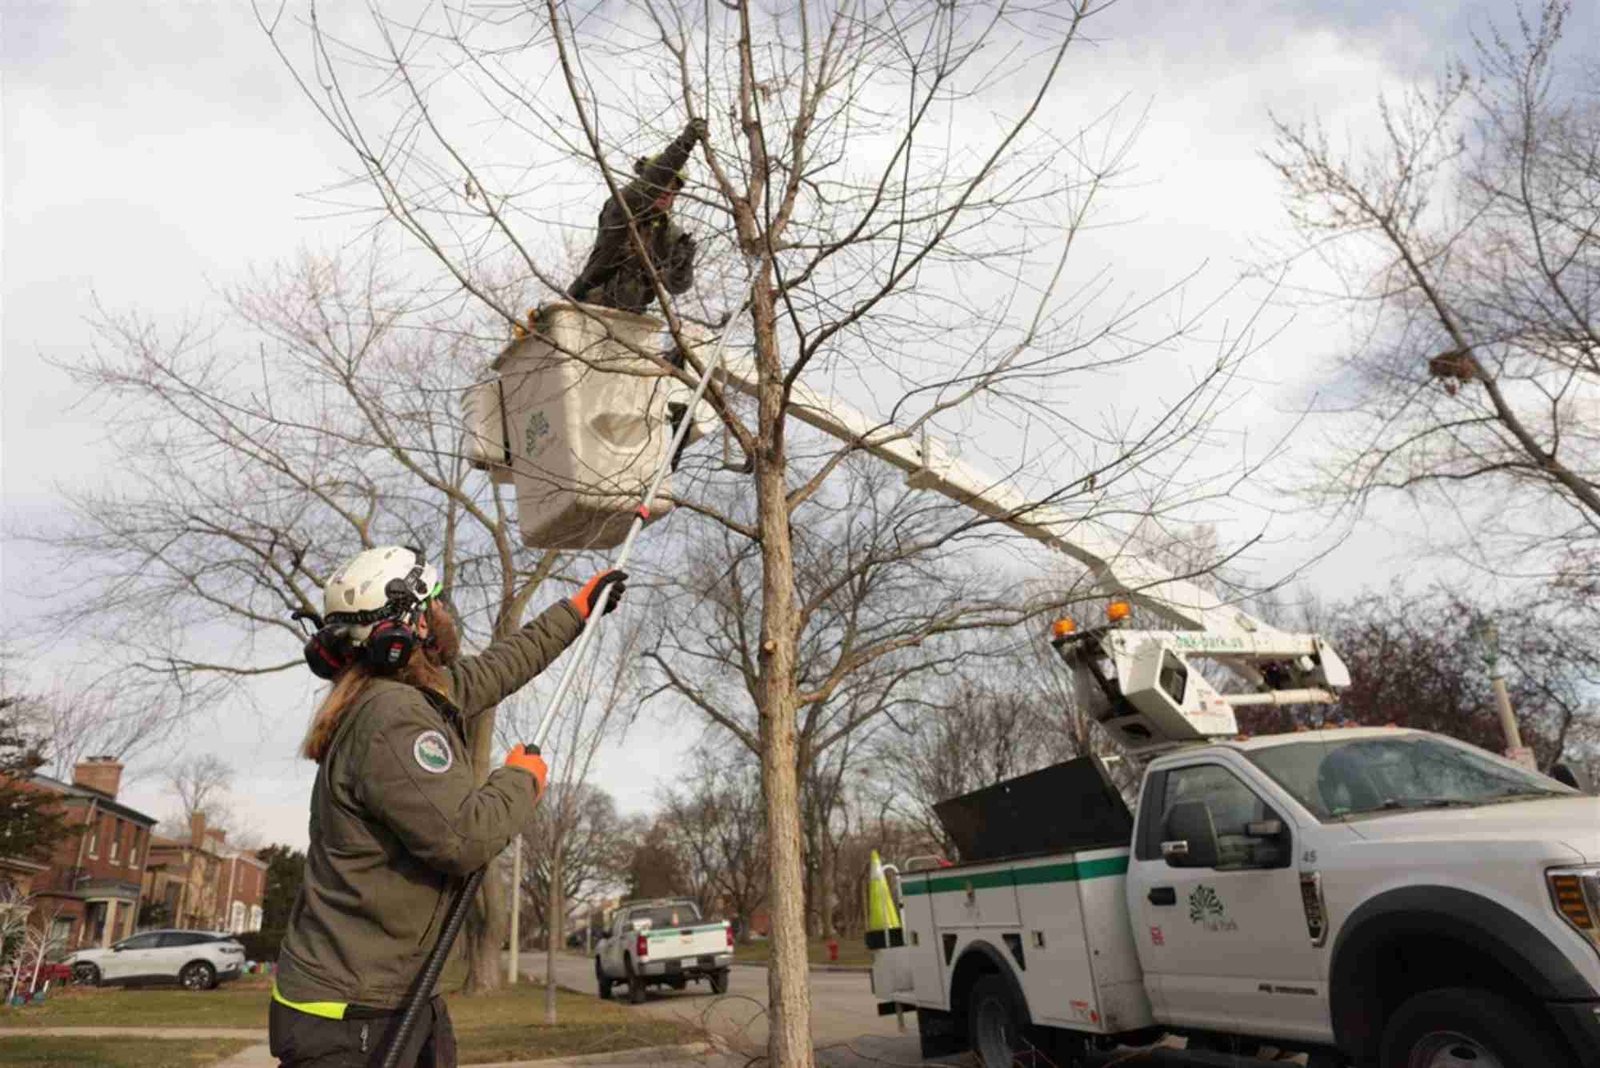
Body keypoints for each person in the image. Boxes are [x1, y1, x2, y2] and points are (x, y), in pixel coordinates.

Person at [270, 546, 626, 1067]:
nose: (445, 613)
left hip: (387, 998)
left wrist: (576, 610)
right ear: (410, 623)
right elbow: (463, 837)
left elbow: (499, 668)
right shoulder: (393, 719)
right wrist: (521, 780)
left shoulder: (398, 695)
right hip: (354, 1018)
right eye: (435, 601)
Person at [568, 119, 706, 314]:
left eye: (674, 188)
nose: (667, 191)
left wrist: (683, 266)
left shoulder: (669, 233)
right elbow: (652, 180)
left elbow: (676, 287)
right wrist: (684, 144)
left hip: (632, 319)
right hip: (591, 308)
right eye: (663, 185)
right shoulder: (621, 208)